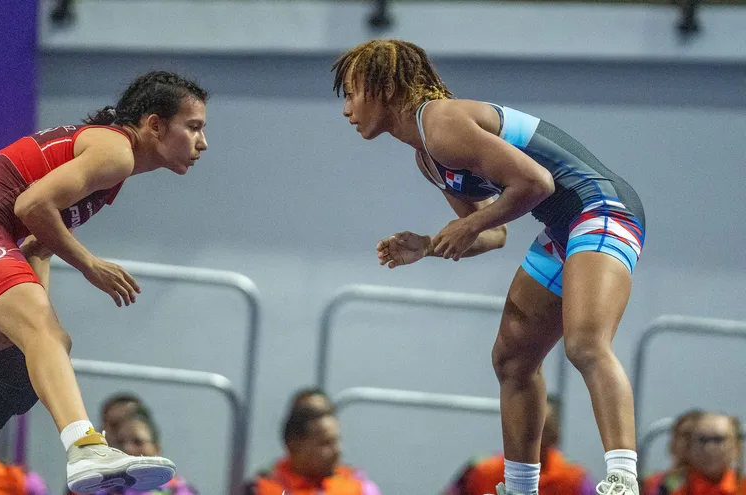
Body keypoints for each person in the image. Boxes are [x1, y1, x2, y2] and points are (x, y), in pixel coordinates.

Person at [332, 39, 647, 495]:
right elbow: (493, 233)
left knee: (585, 344)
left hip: (602, 209)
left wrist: (470, 223)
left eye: (351, 93)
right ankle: (520, 487)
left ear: (383, 88)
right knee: (512, 359)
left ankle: (623, 479)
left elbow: (537, 182)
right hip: (565, 227)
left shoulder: (439, 123)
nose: (347, 110)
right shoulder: (428, 158)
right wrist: (428, 246)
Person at [0, 70, 208, 495]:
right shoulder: (116, 152)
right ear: (155, 125)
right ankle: (86, 448)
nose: (202, 142)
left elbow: (37, 246)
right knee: (48, 337)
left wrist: (39, 336)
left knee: (19, 375)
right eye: (193, 127)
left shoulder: (107, 165)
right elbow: (32, 205)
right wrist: (89, 265)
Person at [443, 396, 595, 495]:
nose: (531, 437)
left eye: (542, 430)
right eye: (525, 427)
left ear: (555, 436)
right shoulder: (481, 470)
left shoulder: (574, 478)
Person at [245, 389, 381, 495]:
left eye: (337, 441)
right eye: (325, 443)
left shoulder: (360, 488)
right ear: (294, 445)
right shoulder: (259, 489)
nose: (337, 450)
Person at [644, 412, 744, 495]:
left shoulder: (742, 488)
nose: (709, 447)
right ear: (689, 446)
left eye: (718, 439)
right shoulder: (666, 488)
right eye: (702, 439)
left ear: (736, 446)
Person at [641, 410, 704, 495]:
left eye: (699, 437)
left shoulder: (717, 484)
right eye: (686, 435)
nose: (690, 441)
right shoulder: (651, 483)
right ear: (673, 442)